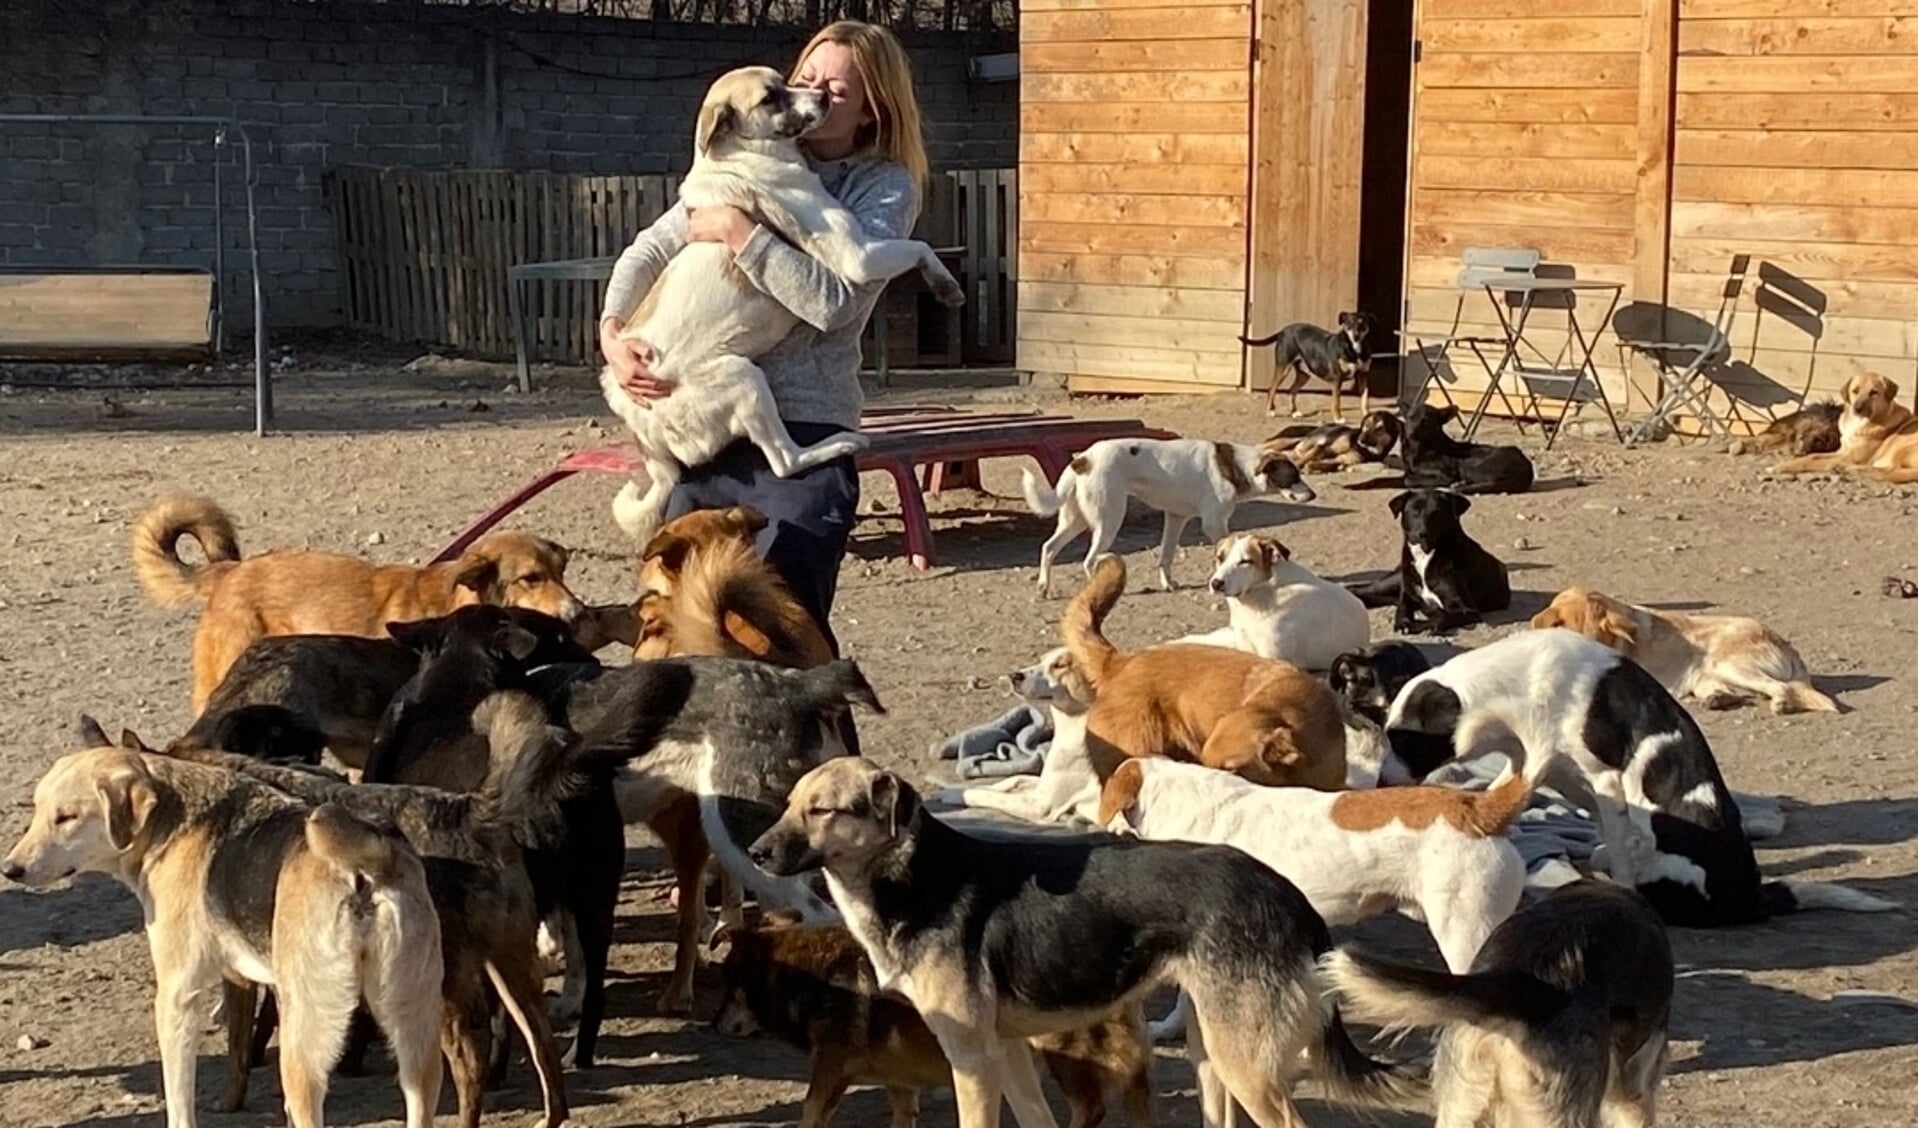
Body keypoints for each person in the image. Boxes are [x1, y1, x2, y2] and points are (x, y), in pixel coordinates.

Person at [597, 20, 930, 657]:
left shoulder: (882, 188)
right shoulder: (748, 157)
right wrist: (612, 331)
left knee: (780, 636)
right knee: (677, 631)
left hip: (802, 430)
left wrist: (737, 232)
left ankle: (827, 756)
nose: (815, 93)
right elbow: (649, 249)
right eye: (806, 79)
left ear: (871, 110)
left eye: (836, 88)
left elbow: (833, 304)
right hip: (705, 433)